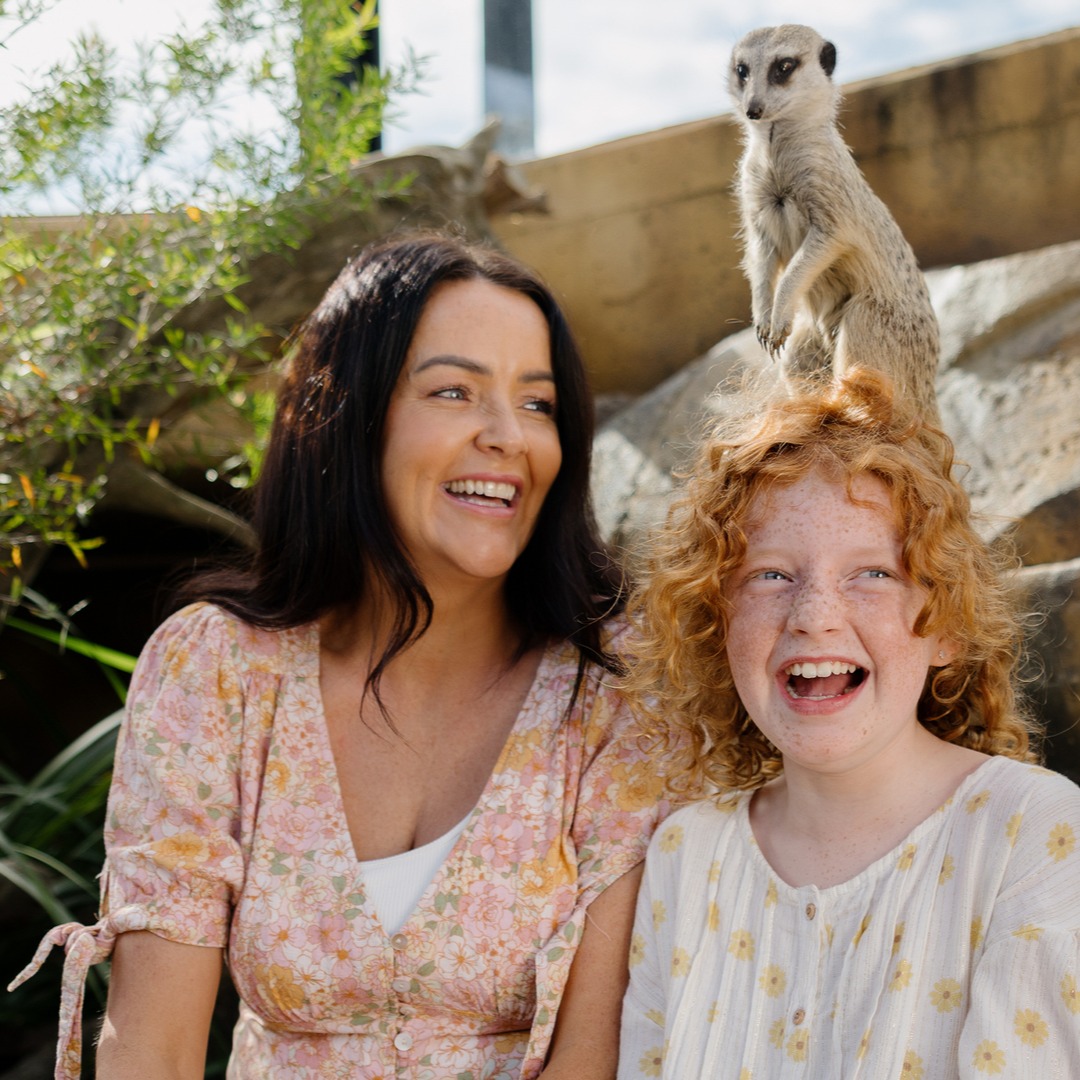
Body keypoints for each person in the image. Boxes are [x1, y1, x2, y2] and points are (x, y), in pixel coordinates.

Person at [11, 232, 672, 1079]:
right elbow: (154, 1048)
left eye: (539, 404)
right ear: (346, 417)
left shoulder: (618, 687)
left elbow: (596, 1055)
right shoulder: (216, 670)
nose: (509, 435)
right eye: (454, 391)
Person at [616, 370, 1080, 1078]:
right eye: (771, 575)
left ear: (947, 624)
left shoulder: (1033, 834)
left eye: (873, 573)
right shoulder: (686, 856)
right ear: (717, 625)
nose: (814, 616)